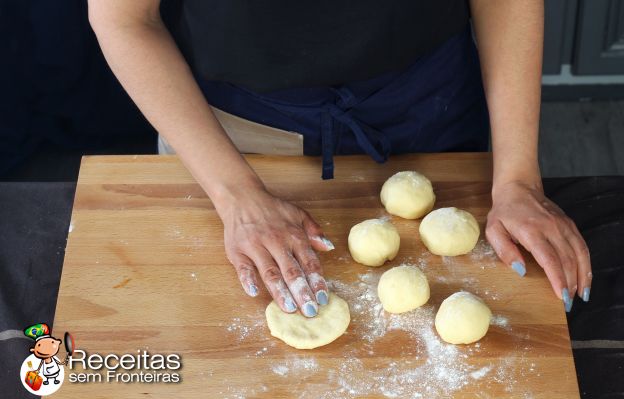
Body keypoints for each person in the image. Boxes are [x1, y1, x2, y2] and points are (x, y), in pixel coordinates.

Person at [88, 0, 592, 317]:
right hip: (230, 140)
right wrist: (237, 196)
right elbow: (124, 19)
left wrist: (518, 179)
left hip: (431, 110)